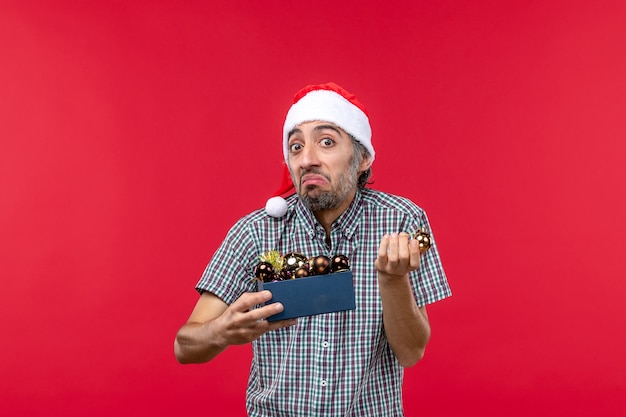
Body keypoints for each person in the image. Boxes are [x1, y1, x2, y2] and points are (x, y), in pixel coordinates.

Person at [174, 82, 451, 416]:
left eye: (326, 142)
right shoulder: (255, 233)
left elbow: (411, 353)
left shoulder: (402, 221)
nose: (306, 159)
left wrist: (393, 282)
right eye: (295, 147)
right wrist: (220, 331)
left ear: (362, 158)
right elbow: (184, 346)